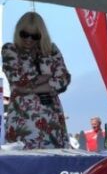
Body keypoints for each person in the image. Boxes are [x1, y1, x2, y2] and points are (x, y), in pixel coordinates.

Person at [2, 11, 71, 149]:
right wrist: (48, 80)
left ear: (41, 35)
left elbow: (63, 79)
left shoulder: (51, 50)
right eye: (24, 34)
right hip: (22, 120)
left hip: (52, 119)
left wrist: (29, 89)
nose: (29, 39)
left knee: (53, 163)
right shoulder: (9, 49)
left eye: (34, 36)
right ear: (18, 31)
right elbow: (18, 80)